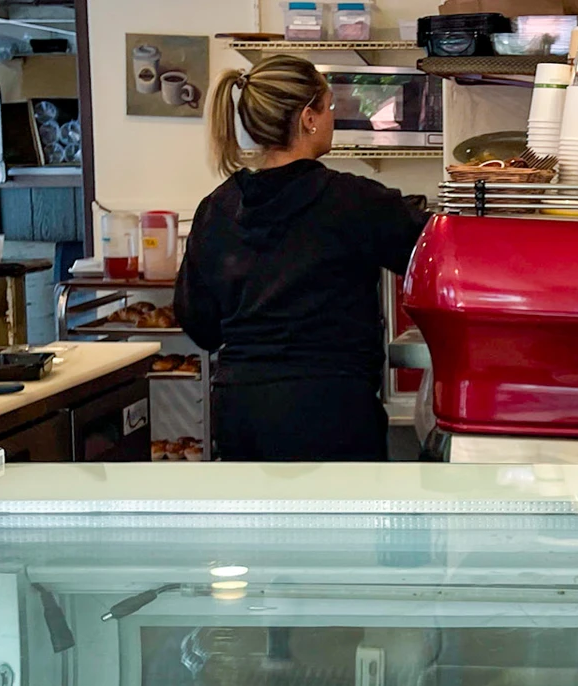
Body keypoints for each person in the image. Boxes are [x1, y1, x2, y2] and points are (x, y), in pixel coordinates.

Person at [177, 55, 428, 462]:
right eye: (329, 107)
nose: (332, 118)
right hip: (332, 411)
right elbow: (432, 256)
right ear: (309, 118)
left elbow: (200, 325)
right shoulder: (353, 200)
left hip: (242, 412)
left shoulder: (217, 208)